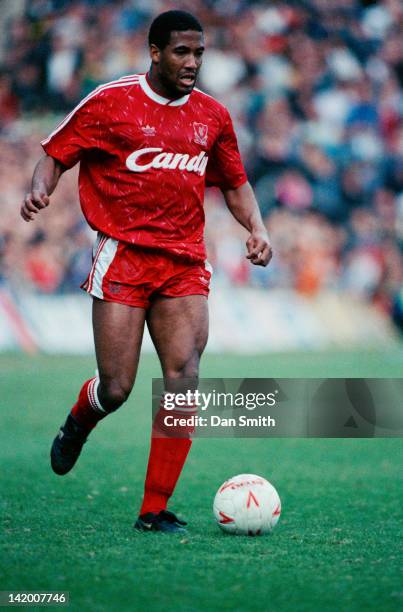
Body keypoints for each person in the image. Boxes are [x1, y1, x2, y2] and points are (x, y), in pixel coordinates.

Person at [21, 10, 272, 533]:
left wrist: (257, 227)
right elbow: (56, 151)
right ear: (155, 52)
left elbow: (234, 182)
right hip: (124, 256)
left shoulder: (212, 117)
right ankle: (78, 421)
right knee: (116, 388)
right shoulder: (111, 101)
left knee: (184, 380)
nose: (193, 63)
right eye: (182, 52)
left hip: (183, 262)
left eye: (199, 53)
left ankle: (153, 509)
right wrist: (41, 187)